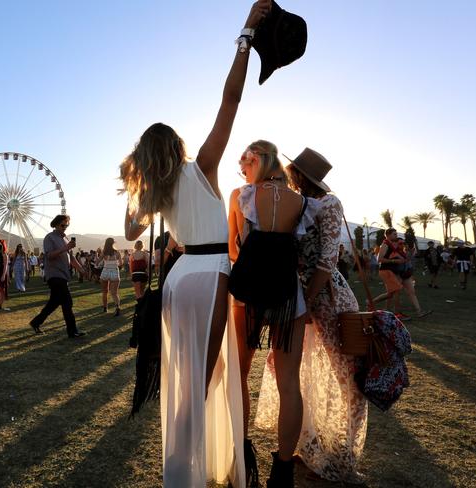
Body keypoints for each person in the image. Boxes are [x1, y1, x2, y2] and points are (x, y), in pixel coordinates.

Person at [119, 3, 271, 485]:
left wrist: (135, 185)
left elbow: (129, 234)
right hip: (209, 277)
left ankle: (194, 463)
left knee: (186, 377)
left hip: (177, 280)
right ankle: (183, 472)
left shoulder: (156, 190)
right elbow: (230, 101)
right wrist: (245, 37)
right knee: (201, 382)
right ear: (178, 145)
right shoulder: (201, 166)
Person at [255, 149, 368, 483]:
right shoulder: (294, 203)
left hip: (326, 299)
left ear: (298, 175)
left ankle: (343, 454)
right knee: (298, 375)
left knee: (348, 378)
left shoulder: (329, 203)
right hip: (296, 300)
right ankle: (306, 446)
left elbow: (327, 258)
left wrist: (306, 299)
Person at [229, 140, 308, 486]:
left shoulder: (241, 196)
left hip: (249, 293)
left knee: (241, 375)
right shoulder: (301, 201)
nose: (243, 171)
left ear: (256, 161)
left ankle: (243, 457)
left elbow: (233, 247)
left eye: (244, 164)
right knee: (289, 384)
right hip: (289, 295)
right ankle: (283, 470)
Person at [29, 215, 87, 337]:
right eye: (62, 225)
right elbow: (49, 255)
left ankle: (36, 322)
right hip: (54, 274)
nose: (65, 227)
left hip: (64, 274)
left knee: (54, 303)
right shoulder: (49, 238)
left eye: (67, 225)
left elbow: (71, 258)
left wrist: (81, 270)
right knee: (67, 302)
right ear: (55, 224)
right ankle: (72, 331)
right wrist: (65, 248)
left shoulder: (65, 239)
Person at [372, 228, 406, 317]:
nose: (396, 235)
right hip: (385, 270)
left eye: (396, 233)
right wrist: (395, 261)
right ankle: (397, 313)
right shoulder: (385, 244)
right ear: (388, 235)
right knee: (397, 290)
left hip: (389, 270)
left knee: (391, 294)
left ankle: (371, 303)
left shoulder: (390, 244)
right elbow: (379, 259)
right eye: (394, 234)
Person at [100, 237, 123, 315]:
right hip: (114, 271)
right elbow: (120, 263)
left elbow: (97, 262)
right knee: (114, 293)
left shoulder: (104, 252)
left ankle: (105, 308)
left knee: (104, 291)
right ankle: (117, 307)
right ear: (113, 243)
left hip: (105, 271)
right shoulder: (117, 253)